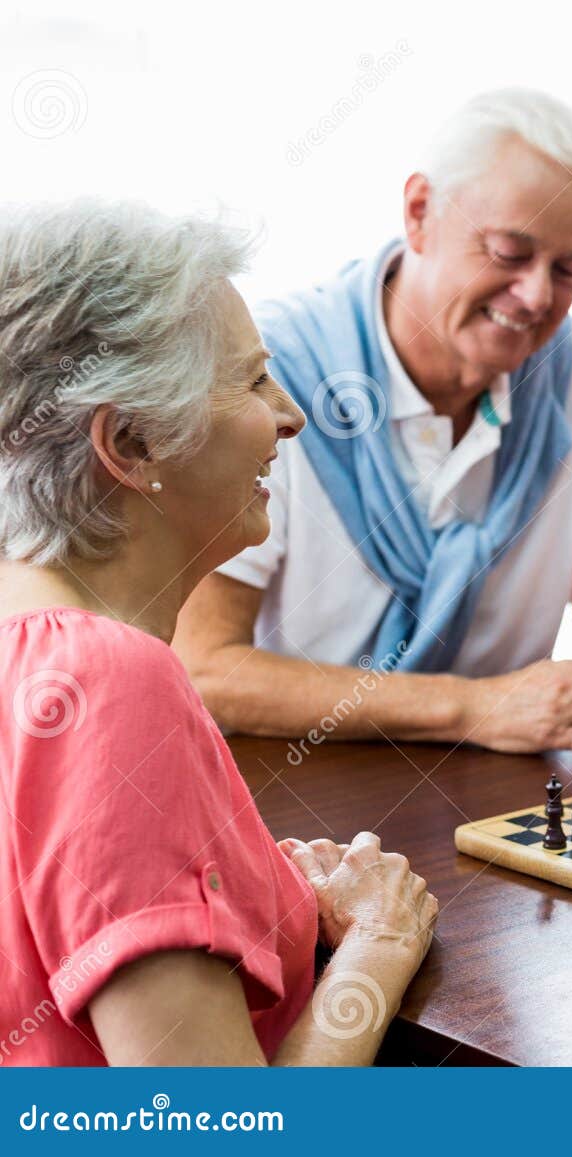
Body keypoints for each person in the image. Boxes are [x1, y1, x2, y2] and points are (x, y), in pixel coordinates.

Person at [0, 201, 437, 1064]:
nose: (291, 416)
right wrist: (381, 944)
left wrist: (247, 883)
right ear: (131, 442)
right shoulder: (111, 681)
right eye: (250, 381)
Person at [174, 88, 572, 759]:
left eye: (568, 269)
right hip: (300, 802)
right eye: (510, 253)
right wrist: (477, 707)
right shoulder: (270, 374)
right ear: (419, 212)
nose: (538, 295)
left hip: (499, 802)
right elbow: (204, 668)